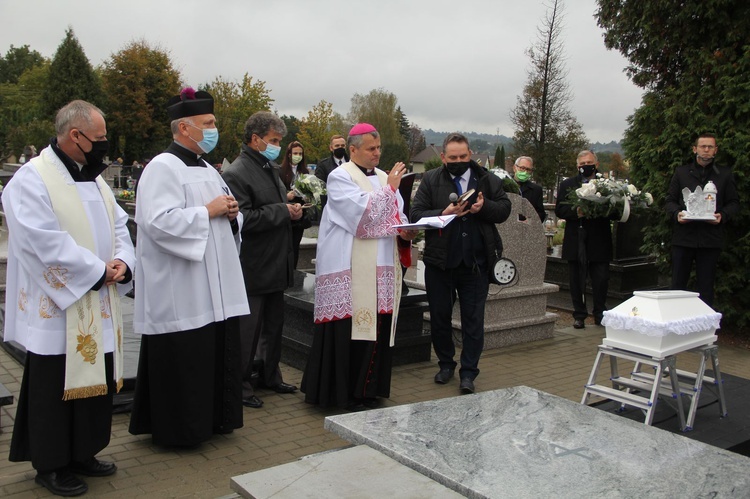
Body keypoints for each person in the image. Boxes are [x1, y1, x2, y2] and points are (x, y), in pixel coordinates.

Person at [3, 100, 135, 496]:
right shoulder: (32, 179)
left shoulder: (94, 179)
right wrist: (97, 270)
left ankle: (83, 451)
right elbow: (40, 242)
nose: (104, 147)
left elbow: (120, 226)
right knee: (54, 386)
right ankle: (51, 463)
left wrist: (123, 262)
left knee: (95, 377)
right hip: (59, 305)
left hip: (99, 296)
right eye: (99, 139)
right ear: (75, 136)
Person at [129, 88, 249, 447]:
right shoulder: (161, 168)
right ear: (184, 127)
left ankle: (212, 421)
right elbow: (155, 222)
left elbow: (227, 213)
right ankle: (181, 430)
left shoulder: (209, 169)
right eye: (208, 124)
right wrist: (207, 212)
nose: (214, 129)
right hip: (183, 287)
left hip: (215, 288)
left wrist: (232, 215)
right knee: (187, 359)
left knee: (212, 354)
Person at [301, 123, 416, 410]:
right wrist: (390, 190)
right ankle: (342, 394)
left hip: (381, 266)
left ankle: (368, 391)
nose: (377, 154)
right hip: (350, 268)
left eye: (379, 148)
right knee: (348, 331)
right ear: (352, 150)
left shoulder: (382, 177)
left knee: (376, 328)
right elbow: (361, 219)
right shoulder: (340, 177)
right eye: (371, 149)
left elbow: (395, 216)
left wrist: (406, 232)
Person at [411, 133, 511, 395]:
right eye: (453, 158)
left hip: (476, 264)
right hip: (440, 264)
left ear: (471, 155)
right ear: (443, 158)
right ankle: (445, 365)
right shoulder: (431, 180)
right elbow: (416, 214)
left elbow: (504, 209)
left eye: (463, 157)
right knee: (440, 317)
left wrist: (483, 207)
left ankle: (468, 372)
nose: (458, 161)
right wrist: (443, 213)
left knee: (473, 321)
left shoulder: (487, 180)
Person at [223, 111, 300, 410]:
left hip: (277, 261)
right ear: (255, 139)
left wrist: (293, 209)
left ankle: (270, 374)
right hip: (253, 265)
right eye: (273, 141)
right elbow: (242, 218)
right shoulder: (237, 173)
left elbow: (273, 207)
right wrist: (283, 210)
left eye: (279, 141)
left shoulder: (269, 167)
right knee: (248, 331)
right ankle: (241, 385)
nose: (278, 147)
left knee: (274, 327)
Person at [664, 133, 739, 307]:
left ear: (715, 151)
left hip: (710, 239)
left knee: (706, 288)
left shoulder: (725, 174)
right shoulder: (681, 172)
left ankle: (703, 328)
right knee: (677, 286)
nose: (706, 150)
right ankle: (675, 323)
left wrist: (723, 216)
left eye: (710, 147)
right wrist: (677, 214)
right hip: (684, 238)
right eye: (703, 146)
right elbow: (669, 201)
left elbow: (734, 202)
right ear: (695, 149)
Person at [554, 150, 612, 329]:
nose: (586, 166)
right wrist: (576, 212)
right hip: (576, 238)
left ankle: (600, 313)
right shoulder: (568, 185)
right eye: (582, 163)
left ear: (596, 164)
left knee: (600, 279)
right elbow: (560, 210)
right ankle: (579, 314)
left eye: (589, 162)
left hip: (599, 239)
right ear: (577, 166)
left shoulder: (607, 185)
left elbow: (615, 209)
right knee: (577, 280)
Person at [279, 140, 313, 268]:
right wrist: (286, 196)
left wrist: (307, 195)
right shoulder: (280, 171)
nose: (297, 155)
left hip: (300, 214)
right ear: (289, 154)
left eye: (300, 153)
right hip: (286, 213)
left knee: (295, 245)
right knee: (284, 246)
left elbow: (309, 191)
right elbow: (276, 192)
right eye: (295, 153)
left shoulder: (305, 172)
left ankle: (294, 272)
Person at [514, 156, 546, 222]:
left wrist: (530, 220)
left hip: (528, 228)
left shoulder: (536, 190)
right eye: (522, 168)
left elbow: (541, 214)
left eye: (528, 170)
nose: (525, 172)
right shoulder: (504, 186)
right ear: (514, 168)